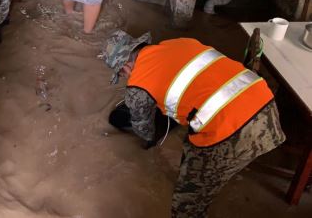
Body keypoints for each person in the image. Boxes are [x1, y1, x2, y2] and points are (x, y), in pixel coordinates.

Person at [102, 30, 286, 217]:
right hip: (265, 103)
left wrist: (149, 142)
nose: (125, 77)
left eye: (122, 74)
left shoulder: (137, 86)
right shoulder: (178, 42)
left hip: (232, 132)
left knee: (186, 206)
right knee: (198, 153)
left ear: (125, 66)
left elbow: (144, 128)